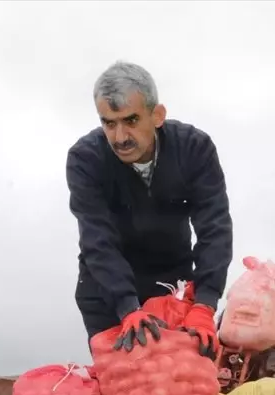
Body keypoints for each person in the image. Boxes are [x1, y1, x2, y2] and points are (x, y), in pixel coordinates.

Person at [66, 60, 233, 357]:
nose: (119, 137)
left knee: (181, 384)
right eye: (109, 122)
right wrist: (126, 306)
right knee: (128, 385)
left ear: (157, 115)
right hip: (108, 289)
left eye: (130, 120)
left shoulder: (195, 149)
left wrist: (205, 303)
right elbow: (97, 239)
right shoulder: (85, 160)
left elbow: (214, 228)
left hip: (171, 284)